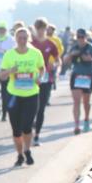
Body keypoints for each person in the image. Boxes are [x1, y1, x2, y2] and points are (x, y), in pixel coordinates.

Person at [0, 26, 44, 165]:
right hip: (14, 95)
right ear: (16, 39)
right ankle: (19, 154)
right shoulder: (9, 54)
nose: (22, 40)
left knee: (27, 126)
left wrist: (39, 78)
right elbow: (1, 76)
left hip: (31, 94)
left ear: (28, 38)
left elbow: (42, 69)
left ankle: (27, 150)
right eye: (20, 38)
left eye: (25, 38)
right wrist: (10, 70)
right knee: (16, 129)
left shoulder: (36, 53)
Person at [62, 28, 92, 134]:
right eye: (78, 37)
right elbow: (65, 60)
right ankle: (76, 125)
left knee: (86, 102)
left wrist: (91, 59)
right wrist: (71, 55)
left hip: (87, 75)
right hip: (76, 75)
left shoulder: (91, 48)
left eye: (82, 37)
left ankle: (87, 120)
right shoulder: (74, 47)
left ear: (86, 37)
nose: (80, 39)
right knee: (76, 101)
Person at [31, 18, 60, 146]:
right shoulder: (31, 44)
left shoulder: (50, 44)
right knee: (32, 107)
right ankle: (30, 129)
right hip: (31, 79)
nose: (41, 31)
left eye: (43, 29)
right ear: (36, 29)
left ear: (46, 29)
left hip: (46, 79)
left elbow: (58, 60)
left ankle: (36, 135)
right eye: (39, 29)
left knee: (41, 108)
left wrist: (56, 69)